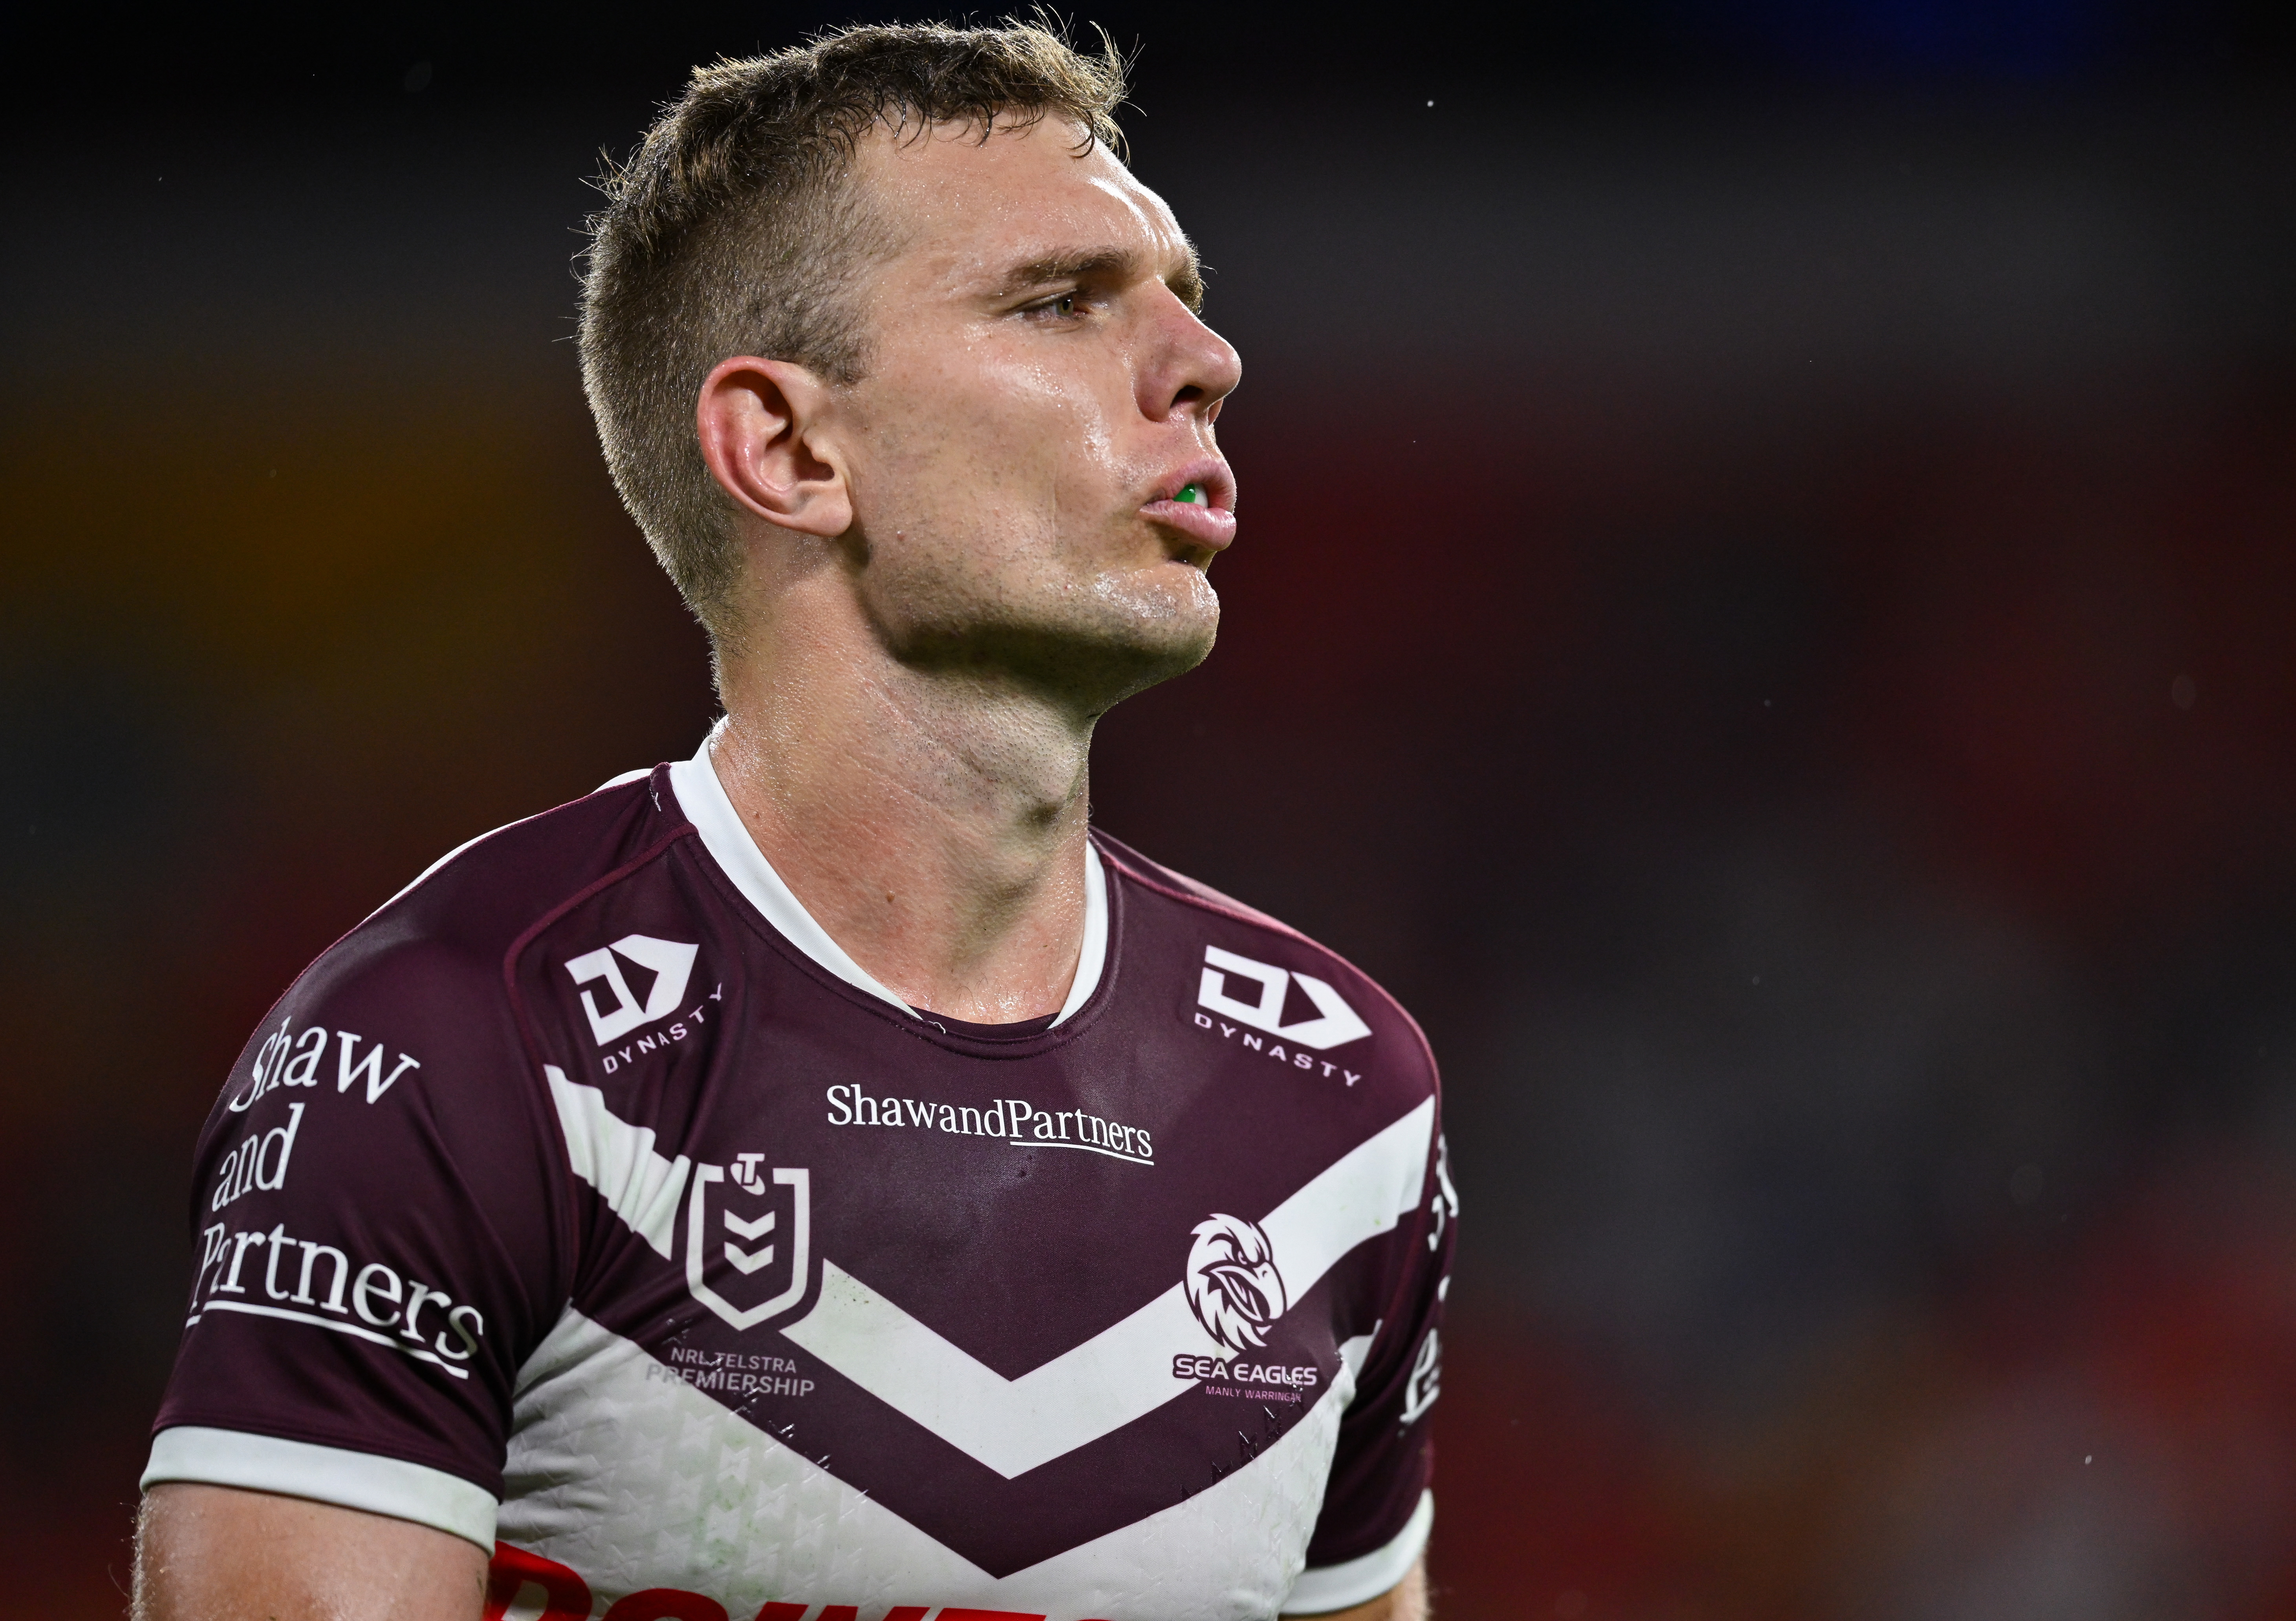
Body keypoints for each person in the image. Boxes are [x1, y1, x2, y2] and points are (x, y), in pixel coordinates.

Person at [132, 22, 1454, 1621]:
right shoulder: (458, 1040)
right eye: (1058, 301)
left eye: (1182, 293)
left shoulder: (1339, 1107)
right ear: (789, 447)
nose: (1207, 359)